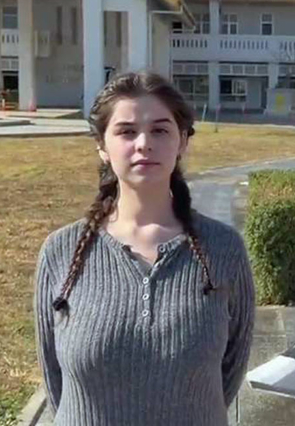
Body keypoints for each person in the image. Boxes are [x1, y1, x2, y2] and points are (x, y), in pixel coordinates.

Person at [34, 72, 255, 425]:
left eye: (160, 130)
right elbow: (53, 376)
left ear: (182, 141)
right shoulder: (61, 252)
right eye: (126, 131)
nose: (143, 144)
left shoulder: (223, 249)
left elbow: (229, 370)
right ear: (102, 146)